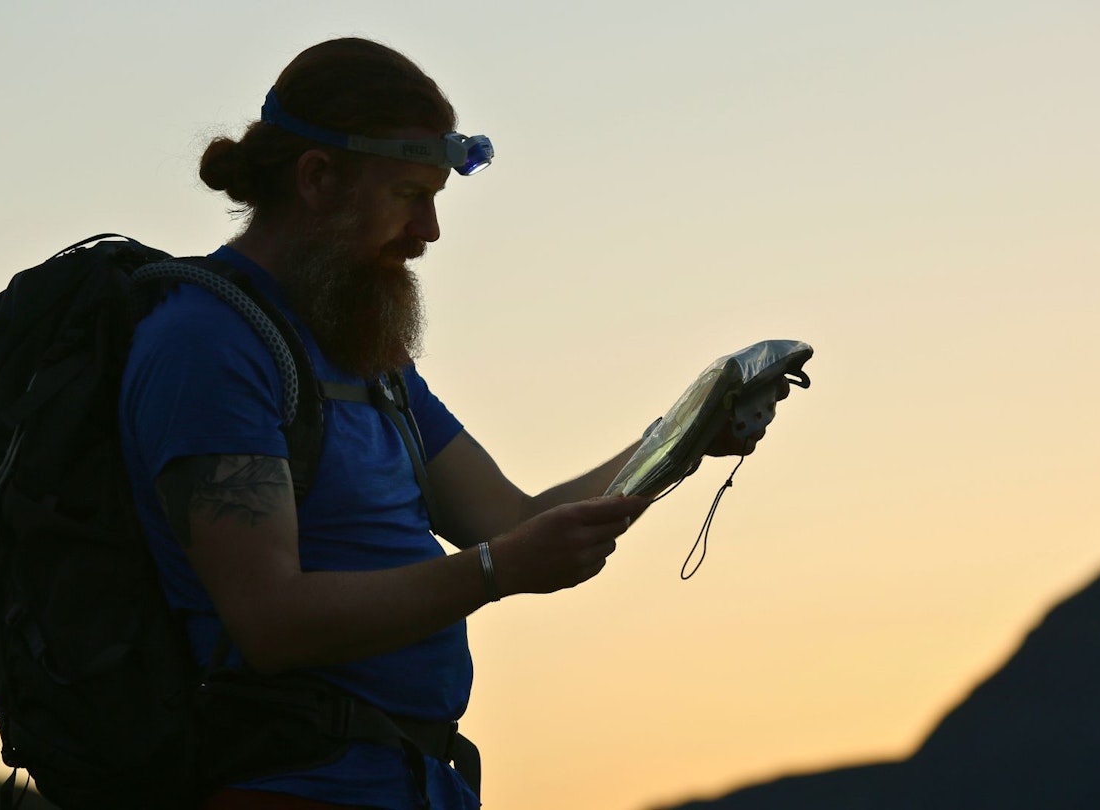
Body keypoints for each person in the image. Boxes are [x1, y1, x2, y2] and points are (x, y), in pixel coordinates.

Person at [119, 37, 777, 810]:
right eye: (407, 195)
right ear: (318, 179)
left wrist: (683, 435)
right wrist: (495, 574)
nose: (429, 232)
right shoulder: (209, 345)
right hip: (291, 786)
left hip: (414, 785)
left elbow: (515, 518)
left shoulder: (367, 358)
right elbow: (272, 621)